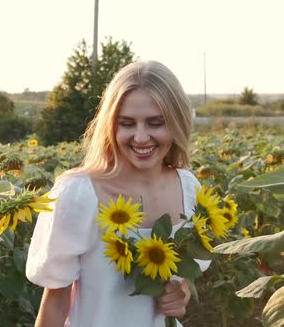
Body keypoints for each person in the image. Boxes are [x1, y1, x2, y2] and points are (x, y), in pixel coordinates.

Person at [26, 60, 208, 326]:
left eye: (155, 123)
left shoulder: (188, 188)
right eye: (127, 123)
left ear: (177, 123)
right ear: (111, 126)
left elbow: (183, 281)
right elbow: (55, 303)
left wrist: (179, 296)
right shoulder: (78, 194)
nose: (141, 137)